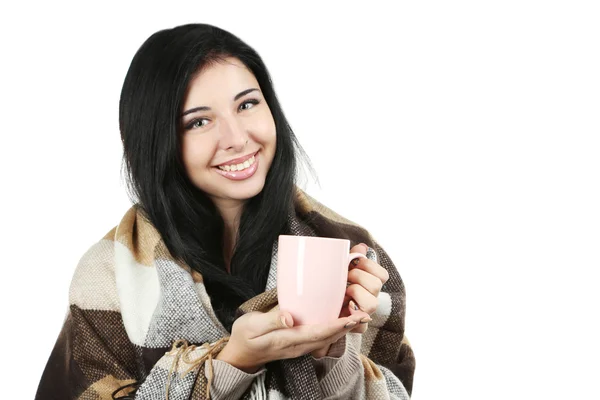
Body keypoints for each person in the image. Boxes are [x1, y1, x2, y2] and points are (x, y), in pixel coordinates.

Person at [34, 23, 416, 399]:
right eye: (199, 121)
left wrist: (328, 351)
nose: (236, 139)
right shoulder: (109, 274)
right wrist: (232, 363)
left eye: (247, 104)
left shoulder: (348, 249)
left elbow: (393, 389)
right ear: (156, 141)